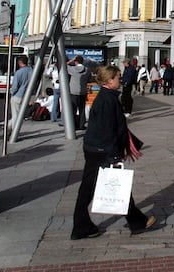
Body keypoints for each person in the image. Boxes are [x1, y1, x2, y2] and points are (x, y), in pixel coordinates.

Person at [71, 64, 156, 240]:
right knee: (115, 186)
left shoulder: (107, 97)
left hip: (96, 148)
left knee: (90, 188)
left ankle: (82, 226)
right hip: (101, 150)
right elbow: (108, 129)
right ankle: (135, 221)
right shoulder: (107, 100)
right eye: (118, 77)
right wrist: (113, 155)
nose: (121, 79)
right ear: (109, 80)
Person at [9, 55, 33, 124]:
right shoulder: (31, 71)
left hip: (17, 95)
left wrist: (12, 93)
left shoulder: (18, 72)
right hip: (26, 96)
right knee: (19, 114)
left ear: (20, 62)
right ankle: (7, 128)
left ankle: (13, 131)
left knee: (15, 115)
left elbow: (15, 87)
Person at [68, 56, 90, 130]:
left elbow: (63, 65)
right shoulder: (87, 70)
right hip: (83, 92)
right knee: (82, 109)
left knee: (73, 109)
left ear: (76, 61)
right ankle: (81, 125)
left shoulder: (73, 69)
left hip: (73, 91)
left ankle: (73, 125)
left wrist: (71, 60)